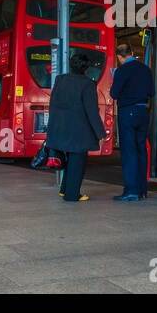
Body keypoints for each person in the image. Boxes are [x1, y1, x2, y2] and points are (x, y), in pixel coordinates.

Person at [46, 53, 106, 202]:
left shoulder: (60, 80)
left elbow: (52, 103)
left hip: (60, 126)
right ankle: (72, 194)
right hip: (79, 129)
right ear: (86, 68)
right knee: (77, 160)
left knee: (69, 160)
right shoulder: (87, 84)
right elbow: (91, 111)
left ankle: (64, 189)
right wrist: (100, 133)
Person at [110, 43, 154, 201]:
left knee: (129, 151)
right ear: (132, 52)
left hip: (127, 112)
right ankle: (142, 190)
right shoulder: (146, 69)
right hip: (143, 111)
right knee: (141, 149)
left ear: (119, 56)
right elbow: (151, 92)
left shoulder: (121, 70)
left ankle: (131, 191)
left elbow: (114, 93)